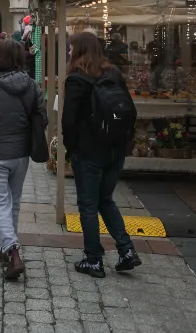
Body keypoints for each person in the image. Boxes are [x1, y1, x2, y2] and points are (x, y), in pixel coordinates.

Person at [63, 32, 141, 278]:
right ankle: (126, 250)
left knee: (88, 204)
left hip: (89, 151)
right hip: (115, 150)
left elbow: (69, 121)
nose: (68, 51)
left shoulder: (76, 79)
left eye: (71, 47)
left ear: (79, 50)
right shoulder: (114, 73)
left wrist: (69, 148)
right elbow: (131, 110)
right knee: (105, 199)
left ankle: (93, 259)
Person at [0, 40, 47, 280]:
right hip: (20, 154)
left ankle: (13, 252)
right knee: (13, 202)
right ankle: (6, 249)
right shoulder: (32, 86)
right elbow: (42, 119)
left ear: (0, 58)